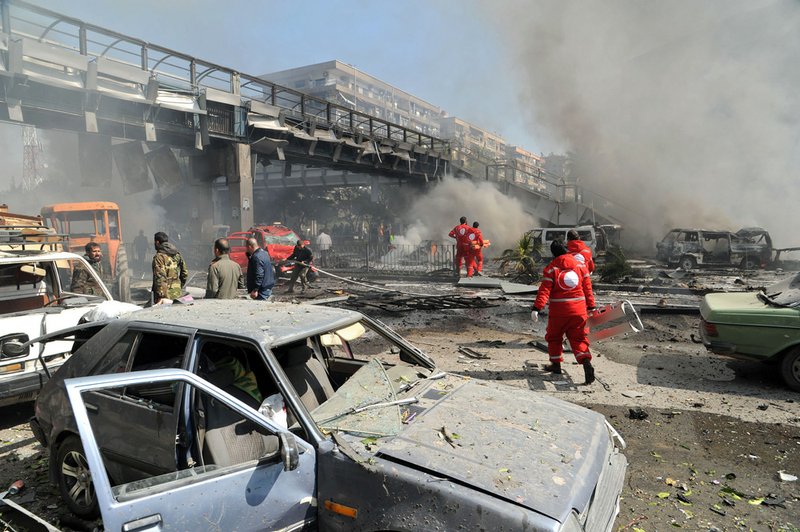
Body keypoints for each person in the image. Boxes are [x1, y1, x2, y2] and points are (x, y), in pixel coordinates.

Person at [531, 240, 597, 384]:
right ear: (565, 250)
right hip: (579, 311)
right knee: (578, 339)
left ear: (553, 253)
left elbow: (544, 291)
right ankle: (586, 362)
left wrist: (537, 308)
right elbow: (588, 289)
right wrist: (591, 307)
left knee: (554, 338)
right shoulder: (580, 266)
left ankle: (556, 365)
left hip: (559, 313)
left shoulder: (551, 268)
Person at [152, 231, 188, 304]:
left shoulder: (159, 257)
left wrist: (161, 296)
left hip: (165, 297)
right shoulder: (177, 254)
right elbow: (185, 273)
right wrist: (178, 286)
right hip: (177, 294)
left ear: (157, 242)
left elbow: (160, 278)